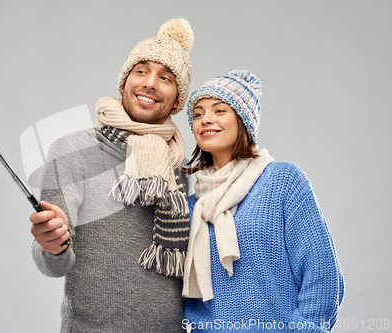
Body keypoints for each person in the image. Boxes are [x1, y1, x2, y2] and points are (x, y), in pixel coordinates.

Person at [29, 19, 194, 332]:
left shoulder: (183, 170)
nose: (150, 83)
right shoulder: (71, 152)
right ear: (124, 83)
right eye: (141, 71)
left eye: (166, 77)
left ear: (177, 101)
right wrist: (52, 245)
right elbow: (53, 263)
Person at [181, 70, 344, 332]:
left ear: (243, 120)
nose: (205, 119)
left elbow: (322, 275)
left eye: (219, 110)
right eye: (198, 114)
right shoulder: (192, 204)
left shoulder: (282, 181)